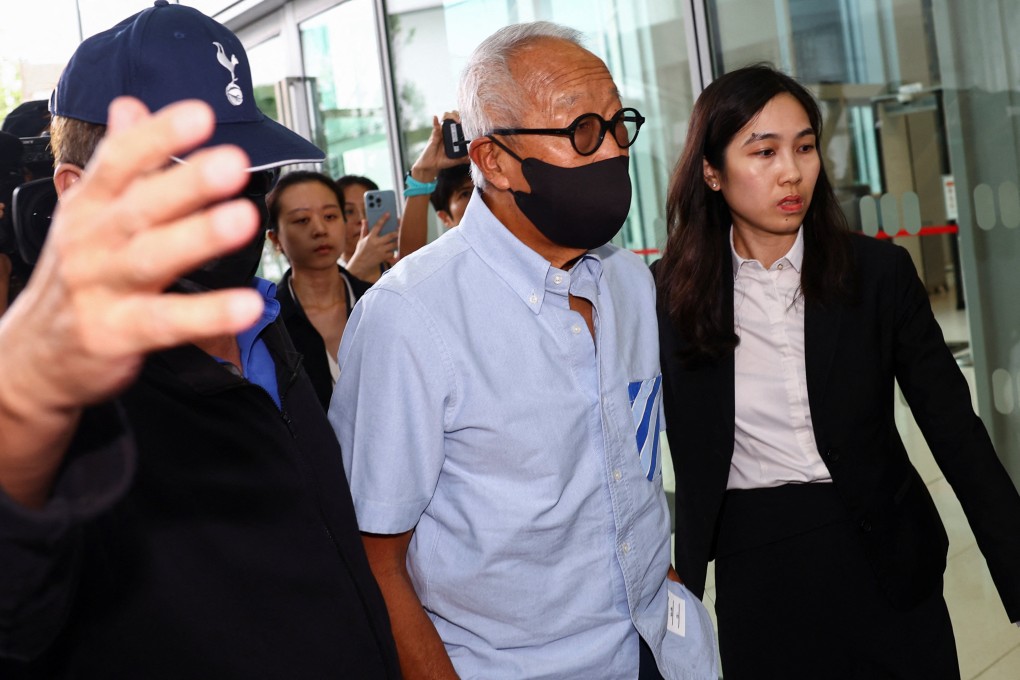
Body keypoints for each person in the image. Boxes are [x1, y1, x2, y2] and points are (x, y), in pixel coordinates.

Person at [0, 3, 400, 678]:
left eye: (252, 176)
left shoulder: (268, 324)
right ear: (77, 192)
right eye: (195, 178)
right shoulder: (63, 399)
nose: (235, 209)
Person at [330, 21, 717, 680]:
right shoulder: (410, 320)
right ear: (494, 160)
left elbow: (630, 473)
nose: (612, 152)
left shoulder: (625, 281)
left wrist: (664, 580)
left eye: (618, 125)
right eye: (581, 132)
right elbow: (373, 562)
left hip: (661, 651)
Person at [654, 63, 1020, 680]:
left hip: (884, 554)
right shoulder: (669, 295)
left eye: (803, 147)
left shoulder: (877, 275)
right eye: (763, 151)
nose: (791, 172)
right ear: (712, 172)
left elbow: (954, 429)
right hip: (758, 566)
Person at [266, 170, 370, 409]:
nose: (320, 229)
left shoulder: (377, 299)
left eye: (330, 216)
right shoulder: (270, 322)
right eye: (302, 220)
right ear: (275, 239)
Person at [396, 111, 472, 259]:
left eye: (485, 189)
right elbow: (409, 265)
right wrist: (423, 173)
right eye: (466, 194)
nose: (478, 199)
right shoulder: (445, 266)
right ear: (445, 218)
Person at [336, 174, 398, 283]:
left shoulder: (398, 267)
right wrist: (359, 265)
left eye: (368, 210)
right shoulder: (325, 276)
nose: (361, 219)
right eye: (349, 211)